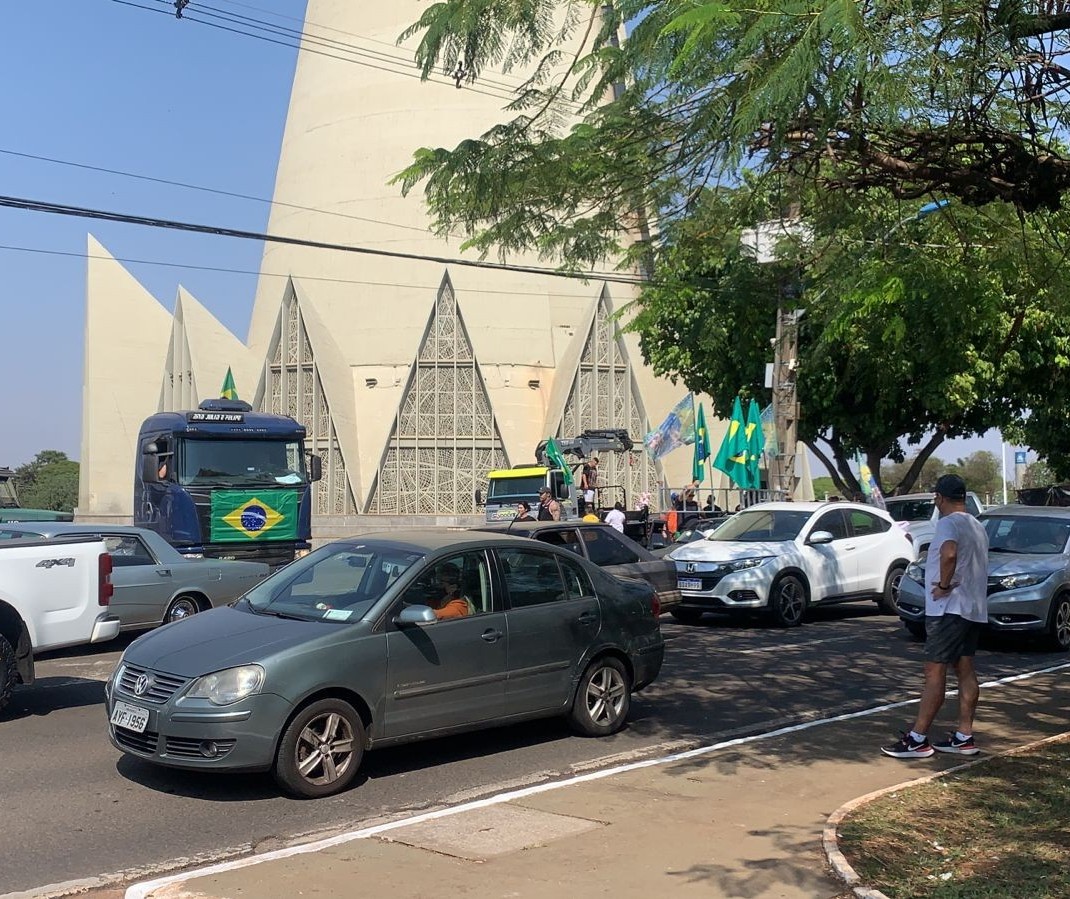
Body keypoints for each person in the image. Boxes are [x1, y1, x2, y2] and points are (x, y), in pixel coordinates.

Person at [881, 474, 989, 759]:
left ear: (940, 498)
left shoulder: (948, 523)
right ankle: (964, 736)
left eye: (936, 499)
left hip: (948, 609)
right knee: (964, 668)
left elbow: (949, 554)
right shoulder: (977, 526)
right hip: (971, 609)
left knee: (934, 670)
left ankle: (917, 738)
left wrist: (943, 586)